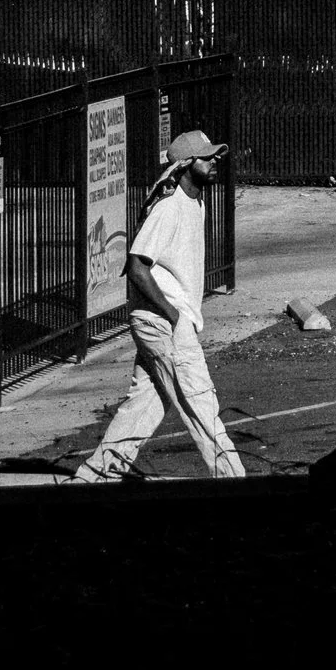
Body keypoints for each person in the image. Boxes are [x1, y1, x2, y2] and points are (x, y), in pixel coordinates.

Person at [71, 129, 247, 481]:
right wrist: (173, 314)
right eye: (207, 157)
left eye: (215, 156)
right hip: (163, 323)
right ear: (185, 164)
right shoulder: (169, 208)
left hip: (163, 322)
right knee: (201, 405)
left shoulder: (195, 201)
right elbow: (136, 266)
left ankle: (92, 479)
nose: (215, 163)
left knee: (144, 407)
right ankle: (237, 486)